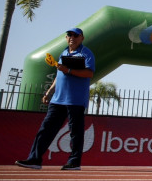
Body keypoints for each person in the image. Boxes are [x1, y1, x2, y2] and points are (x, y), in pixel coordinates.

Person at [15, 27, 95, 170]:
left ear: (82, 38)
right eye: (69, 35)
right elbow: (59, 76)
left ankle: (74, 162)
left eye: (76, 35)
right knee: (45, 129)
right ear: (66, 38)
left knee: (75, 132)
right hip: (57, 100)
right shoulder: (63, 53)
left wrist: (69, 70)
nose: (72, 37)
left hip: (75, 100)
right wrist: (49, 92)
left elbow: (89, 73)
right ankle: (34, 159)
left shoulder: (86, 53)